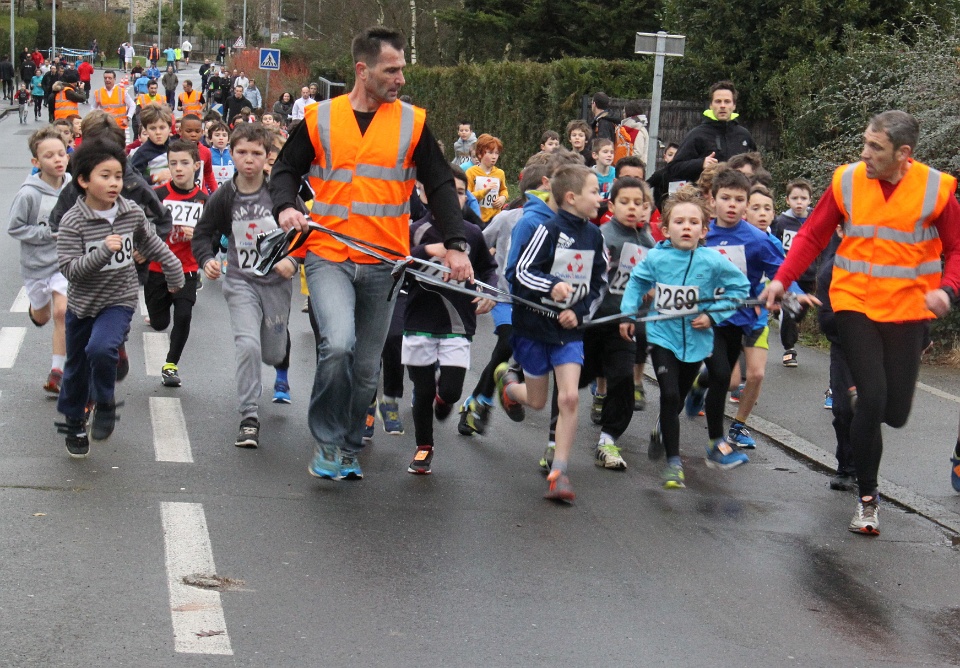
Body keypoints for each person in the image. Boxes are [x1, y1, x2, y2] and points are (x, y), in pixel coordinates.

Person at [268, 25, 472, 481]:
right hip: (329, 254)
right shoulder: (321, 117)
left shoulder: (412, 122)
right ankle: (326, 441)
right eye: (391, 70)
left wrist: (457, 245)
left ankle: (347, 445)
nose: (401, 78)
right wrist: (285, 207)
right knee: (338, 344)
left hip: (385, 261)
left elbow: (440, 183)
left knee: (365, 370)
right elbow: (284, 170)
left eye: (402, 69)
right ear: (363, 70)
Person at [762, 110, 960, 536]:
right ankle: (868, 500)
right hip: (854, 303)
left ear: (903, 153)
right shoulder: (847, 180)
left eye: (875, 147)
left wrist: (948, 289)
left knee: (896, 413)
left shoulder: (935, 189)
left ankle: (858, 405)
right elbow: (813, 235)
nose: (864, 153)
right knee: (872, 398)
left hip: (908, 311)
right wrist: (781, 279)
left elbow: (958, 247)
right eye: (865, 143)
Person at [55, 140, 183, 457]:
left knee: (101, 348)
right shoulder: (73, 221)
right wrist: (101, 253)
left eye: (118, 176)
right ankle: (74, 421)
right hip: (83, 305)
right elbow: (70, 270)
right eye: (105, 176)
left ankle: (105, 403)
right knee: (76, 368)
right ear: (83, 180)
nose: (114, 183)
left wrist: (174, 271)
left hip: (119, 299)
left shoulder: (130, 212)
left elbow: (152, 244)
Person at [623, 187, 750, 488]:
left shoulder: (712, 261)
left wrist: (712, 315)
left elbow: (740, 288)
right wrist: (628, 314)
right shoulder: (657, 258)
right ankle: (673, 463)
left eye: (694, 222)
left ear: (704, 230)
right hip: (663, 337)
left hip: (697, 341)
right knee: (668, 395)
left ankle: (662, 430)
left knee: (677, 398)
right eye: (679, 222)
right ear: (666, 229)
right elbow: (637, 282)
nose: (686, 227)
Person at [497, 164, 606, 502]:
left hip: (569, 332)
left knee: (569, 397)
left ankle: (559, 472)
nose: (600, 198)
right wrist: (551, 285)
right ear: (572, 197)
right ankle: (508, 387)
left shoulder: (595, 236)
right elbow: (520, 273)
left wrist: (579, 311)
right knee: (537, 401)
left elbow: (599, 283)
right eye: (594, 191)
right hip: (533, 327)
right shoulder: (547, 230)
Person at [192, 124, 299, 449]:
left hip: (276, 284)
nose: (248, 160)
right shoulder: (226, 195)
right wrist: (206, 259)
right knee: (247, 345)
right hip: (241, 281)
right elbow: (203, 232)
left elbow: (306, 232)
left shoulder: (281, 194)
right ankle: (249, 417)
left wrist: (293, 260)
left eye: (256, 153)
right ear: (232, 154)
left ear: (267, 156)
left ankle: (272, 368)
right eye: (241, 152)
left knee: (273, 351)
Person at [403, 166, 498, 474]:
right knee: (422, 390)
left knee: (452, 390)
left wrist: (490, 292)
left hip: (458, 324)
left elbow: (488, 269)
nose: (453, 198)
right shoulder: (416, 230)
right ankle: (424, 447)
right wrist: (427, 250)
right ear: (429, 194)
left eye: (459, 192)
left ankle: (444, 400)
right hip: (419, 321)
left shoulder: (472, 234)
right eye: (446, 191)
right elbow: (396, 262)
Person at [582, 176, 654, 470]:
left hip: (624, 325)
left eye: (638, 203)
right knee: (573, 381)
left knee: (624, 379)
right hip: (593, 321)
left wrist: (652, 290)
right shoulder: (602, 237)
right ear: (611, 206)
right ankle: (554, 440)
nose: (632, 208)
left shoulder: (648, 242)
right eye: (625, 202)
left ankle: (608, 439)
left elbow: (654, 278)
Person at [7, 126, 72, 394]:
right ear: (36, 162)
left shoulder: (74, 188)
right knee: (44, 316)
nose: (57, 160)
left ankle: (57, 372)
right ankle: (35, 310)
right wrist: (47, 233)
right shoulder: (28, 194)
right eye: (49, 156)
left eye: (61, 153)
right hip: (36, 266)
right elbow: (15, 228)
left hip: (64, 263)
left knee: (62, 312)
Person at [146, 139, 208, 386]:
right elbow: (143, 226)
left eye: (184, 163)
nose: (179, 168)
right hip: (157, 267)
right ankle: (157, 317)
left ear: (196, 166)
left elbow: (212, 235)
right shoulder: (158, 195)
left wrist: (199, 235)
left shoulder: (203, 199)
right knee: (159, 323)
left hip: (187, 268)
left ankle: (171, 365)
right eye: (173, 164)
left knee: (183, 315)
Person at [663, 81, 756, 196]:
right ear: (711, 105)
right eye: (718, 101)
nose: (722, 105)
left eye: (727, 101)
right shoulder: (697, 135)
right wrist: (700, 163)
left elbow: (756, 170)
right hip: (704, 200)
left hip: (738, 199)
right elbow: (673, 169)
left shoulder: (744, 135)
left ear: (734, 105)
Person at [771, 178, 815, 367]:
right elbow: (773, 245)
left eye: (803, 198)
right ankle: (789, 350)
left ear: (810, 200)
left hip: (808, 276)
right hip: (788, 275)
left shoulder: (815, 219)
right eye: (795, 198)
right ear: (787, 200)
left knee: (799, 313)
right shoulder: (781, 222)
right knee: (789, 312)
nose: (799, 202)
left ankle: (783, 315)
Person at [465, 133, 508, 224]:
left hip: (495, 218)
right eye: (490, 153)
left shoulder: (500, 173)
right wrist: (484, 191)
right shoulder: (471, 173)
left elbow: (503, 190)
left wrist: (503, 198)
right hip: (477, 218)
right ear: (480, 154)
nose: (494, 157)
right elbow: (467, 196)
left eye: (497, 153)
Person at [129, 103, 174, 186]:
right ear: (146, 130)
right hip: (153, 193)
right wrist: (155, 178)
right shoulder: (142, 153)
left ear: (170, 128)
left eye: (162, 127)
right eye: (153, 128)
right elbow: (131, 180)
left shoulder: (176, 148)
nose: (158, 132)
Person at [176, 113, 218, 194]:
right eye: (189, 131)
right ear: (180, 131)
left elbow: (208, 174)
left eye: (197, 131)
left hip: (200, 195)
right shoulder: (174, 150)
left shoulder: (206, 151)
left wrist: (217, 193)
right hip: (179, 195)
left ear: (202, 132)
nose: (193, 134)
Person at [206, 120, 234, 186]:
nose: (221, 138)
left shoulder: (233, 154)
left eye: (224, 135)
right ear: (210, 138)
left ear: (228, 139)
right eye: (217, 135)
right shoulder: (207, 153)